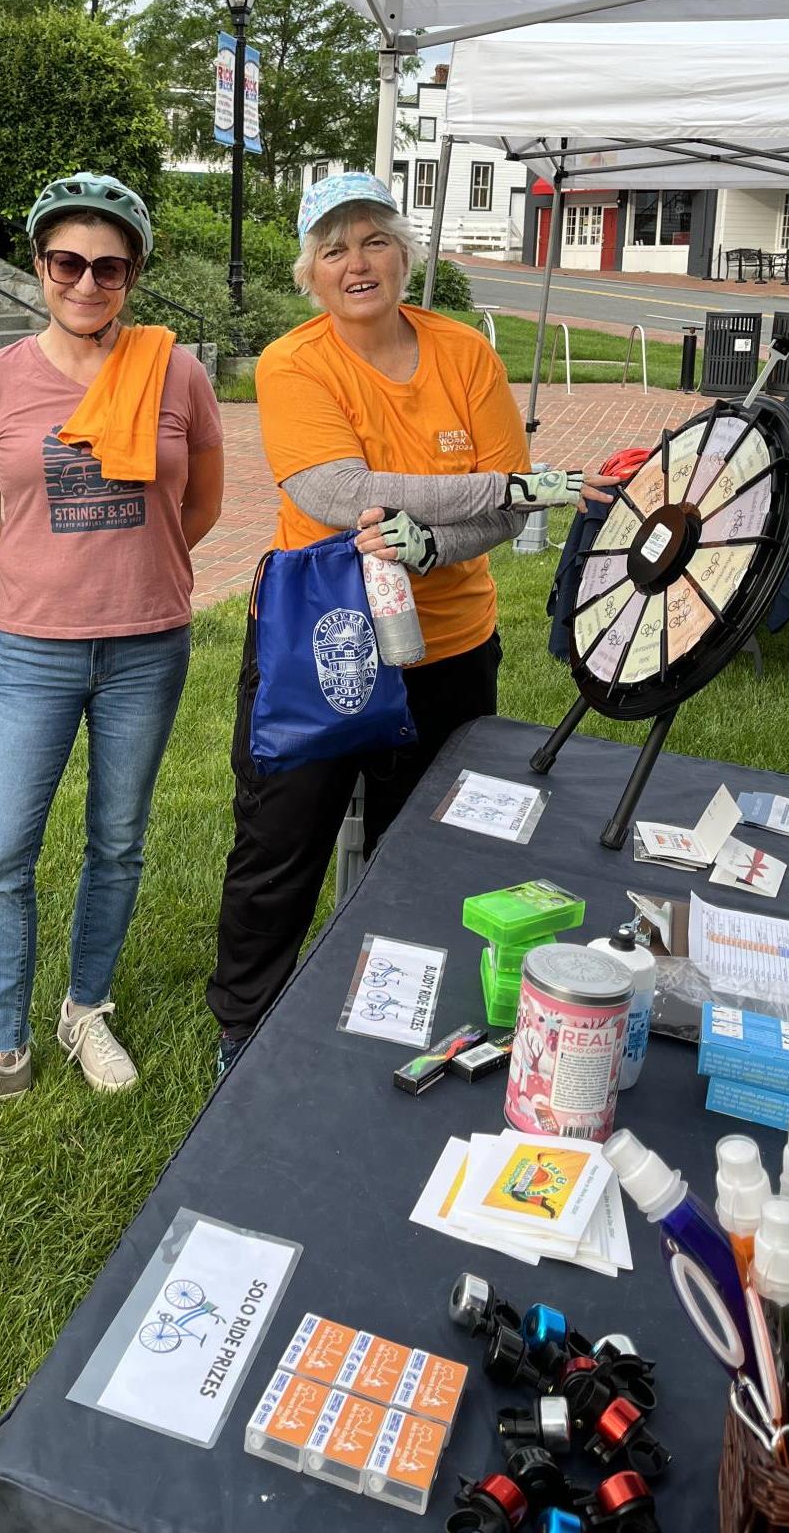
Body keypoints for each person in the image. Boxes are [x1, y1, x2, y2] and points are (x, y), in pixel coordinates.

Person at [207, 172, 579, 1072]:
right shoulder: (294, 361)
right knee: (283, 837)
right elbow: (336, 492)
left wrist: (427, 547)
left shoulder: (465, 354)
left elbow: (505, 520)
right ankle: (245, 1028)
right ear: (310, 273)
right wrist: (502, 487)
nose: (356, 262)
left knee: (428, 843)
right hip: (327, 644)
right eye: (333, 248)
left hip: (450, 642)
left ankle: (403, 1008)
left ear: (405, 253)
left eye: (373, 239)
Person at [0, 174, 224, 1123]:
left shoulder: (176, 371)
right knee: (1, 852)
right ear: (40, 266)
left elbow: (198, 503)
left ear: (133, 275)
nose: (87, 282)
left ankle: (87, 1009)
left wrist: (134, 573)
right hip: (36, 648)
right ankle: (2, 1050)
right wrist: (51, 575)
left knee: (117, 842)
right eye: (67, 262)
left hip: (148, 643)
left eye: (109, 266)